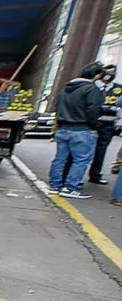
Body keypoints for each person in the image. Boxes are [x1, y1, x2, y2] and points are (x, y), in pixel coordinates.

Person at [49, 62, 106, 199]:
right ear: (97, 75)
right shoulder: (91, 89)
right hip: (82, 129)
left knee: (60, 159)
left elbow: (57, 107)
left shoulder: (66, 88)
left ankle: (55, 186)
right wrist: (95, 126)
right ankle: (70, 188)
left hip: (63, 128)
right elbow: (93, 109)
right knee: (81, 160)